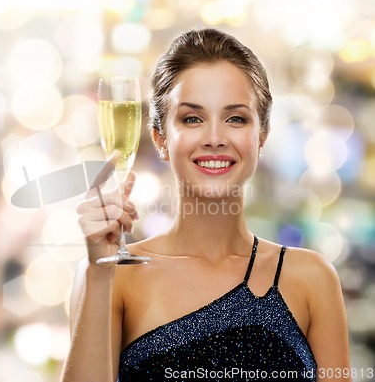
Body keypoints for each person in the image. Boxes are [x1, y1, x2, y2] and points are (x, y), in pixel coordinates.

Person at [61, 28, 351, 382]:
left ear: (261, 138)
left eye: (235, 118)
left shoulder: (312, 279)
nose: (214, 138)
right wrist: (100, 272)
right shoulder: (112, 275)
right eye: (192, 118)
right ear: (161, 139)